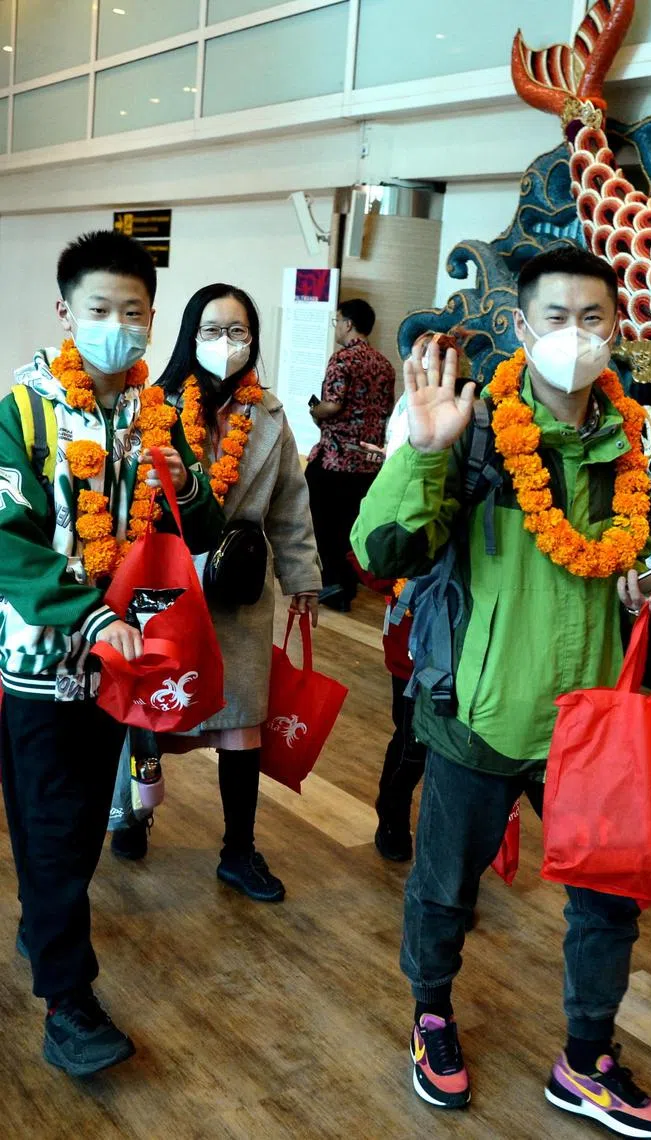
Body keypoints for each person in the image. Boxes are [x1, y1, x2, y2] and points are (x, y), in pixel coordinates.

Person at [351, 247, 651, 1137]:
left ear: (618, 329)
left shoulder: (634, 439)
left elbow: (625, 552)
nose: (577, 337)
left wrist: (644, 582)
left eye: (595, 319)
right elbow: (381, 554)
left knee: (609, 902)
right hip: (481, 712)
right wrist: (422, 453)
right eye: (558, 319)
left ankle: (587, 1059)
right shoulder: (475, 428)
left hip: (594, 722)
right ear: (525, 328)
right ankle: (431, 1019)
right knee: (444, 886)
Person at [0, 231, 223, 1076]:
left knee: (77, 822)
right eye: (99, 311)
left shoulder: (156, 410)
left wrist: (188, 482)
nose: (118, 328)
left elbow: (197, 528)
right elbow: (6, 537)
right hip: (46, 663)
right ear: (65, 313)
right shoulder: (24, 410)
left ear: (153, 317)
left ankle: (41, 921)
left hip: (127, 667)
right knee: (54, 828)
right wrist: (88, 617)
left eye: (134, 312)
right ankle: (68, 1003)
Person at [110, 284, 322, 903]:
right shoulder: (151, 406)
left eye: (237, 332)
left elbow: (290, 505)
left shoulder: (271, 416)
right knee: (150, 712)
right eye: (211, 330)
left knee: (241, 725)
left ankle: (238, 849)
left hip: (240, 585)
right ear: (187, 337)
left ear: (253, 340)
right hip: (165, 586)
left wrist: (303, 576)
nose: (224, 344)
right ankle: (133, 813)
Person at [307, 298, 395, 613]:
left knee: (321, 521)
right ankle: (349, 581)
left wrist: (315, 410)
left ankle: (333, 583)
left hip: (335, 459)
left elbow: (332, 404)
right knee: (352, 523)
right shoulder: (384, 365)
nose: (337, 327)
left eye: (337, 320)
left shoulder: (342, 360)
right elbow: (386, 410)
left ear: (347, 323)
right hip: (369, 463)